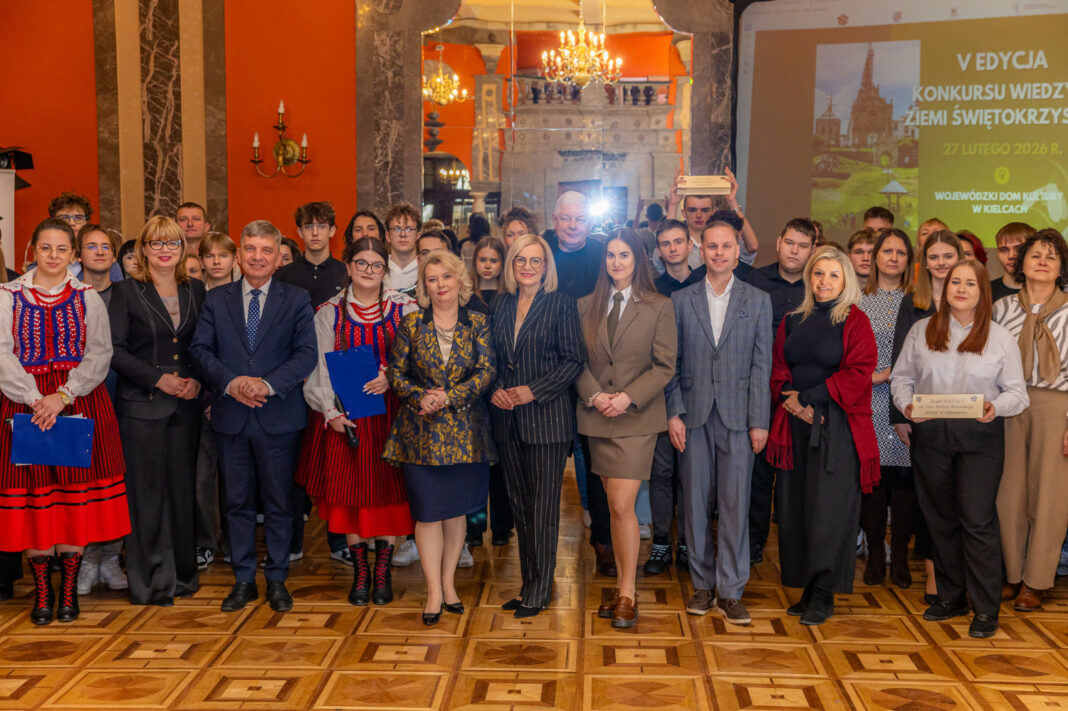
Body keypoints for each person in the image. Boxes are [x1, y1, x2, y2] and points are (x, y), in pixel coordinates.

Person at [0, 218, 130, 625]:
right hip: (25, 403)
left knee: (73, 499)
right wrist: (34, 399)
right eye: (46, 248)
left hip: (77, 402)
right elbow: (2, 353)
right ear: (32, 250)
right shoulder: (7, 295)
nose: (53, 256)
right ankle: (43, 592)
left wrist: (63, 395)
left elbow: (99, 353)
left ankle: (69, 590)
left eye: (61, 249)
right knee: (36, 499)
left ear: (73, 254)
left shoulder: (87, 297)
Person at [891, 259, 1028, 638]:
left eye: (970, 283)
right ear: (946, 287)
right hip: (932, 437)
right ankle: (951, 597)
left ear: (982, 291)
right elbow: (901, 379)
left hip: (980, 438)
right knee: (940, 519)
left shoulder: (999, 337)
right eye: (955, 282)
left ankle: (985, 609)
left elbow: (1018, 394)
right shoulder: (922, 330)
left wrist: (994, 407)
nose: (961, 289)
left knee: (977, 521)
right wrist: (907, 406)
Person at [190, 220, 317, 613]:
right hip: (231, 416)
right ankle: (243, 579)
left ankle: (277, 578)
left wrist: (265, 384)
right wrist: (232, 383)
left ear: (278, 257)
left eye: (266, 250)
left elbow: (306, 354)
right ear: (239, 255)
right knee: (236, 503)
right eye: (250, 249)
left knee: (279, 503)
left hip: (278, 417)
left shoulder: (296, 298)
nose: (258, 257)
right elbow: (200, 350)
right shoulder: (217, 299)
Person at [296, 237, 417, 606]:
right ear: (348, 266)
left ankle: (382, 571)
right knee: (351, 495)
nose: (368, 270)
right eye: (361, 263)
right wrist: (330, 412)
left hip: (391, 417)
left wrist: (391, 377)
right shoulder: (329, 312)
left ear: (385, 269)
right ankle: (361, 572)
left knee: (388, 494)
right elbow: (318, 367)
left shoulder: (405, 308)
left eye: (376, 264)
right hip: (346, 416)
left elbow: (418, 361)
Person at [665, 221, 772, 625]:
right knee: (694, 504)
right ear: (701, 249)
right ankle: (702, 585)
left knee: (734, 503)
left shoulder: (757, 300)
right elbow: (671, 363)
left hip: (739, 418)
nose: (719, 253)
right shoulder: (680, 300)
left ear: (737, 250)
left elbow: (762, 365)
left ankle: (730, 590)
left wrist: (759, 421)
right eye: (712, 246)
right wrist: (673, 412)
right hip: (692, 415)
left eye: (726, 246)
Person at [766, 245, 878, 626]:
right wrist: (793, 402)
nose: (824, 281)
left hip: (836, 426)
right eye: (818, 273)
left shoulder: (856, 321)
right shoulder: (792, 320)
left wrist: (810, 398)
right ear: (809, 277)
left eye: (833, 275)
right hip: (794, 425)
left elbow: (859, 372)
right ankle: (806, 587)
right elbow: (779, 366)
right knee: (795, 508)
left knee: (829, 511)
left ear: (845, 280)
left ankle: (825, 592)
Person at [383, 249, 496, 625]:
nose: (440, 285)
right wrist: (421, 396)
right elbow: (396, 373)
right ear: (424, 286)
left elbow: (486, 371)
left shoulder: (477, 322)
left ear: (459, 280)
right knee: (428, 514)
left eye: (446, 277)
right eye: (432, 279)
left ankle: (449, 585)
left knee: (455, 513)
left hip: (465, 434)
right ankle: (433, 592)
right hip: (420, 434)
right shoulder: (411, 324)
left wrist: (449, 396)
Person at [575, 230, 676, 627]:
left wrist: (627, 397)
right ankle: (620, 586)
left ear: (639, 260)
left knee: (621, 505)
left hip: (636, 418)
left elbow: (664, 366)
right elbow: (575, 361)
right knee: (614, 508)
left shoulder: (658, 306)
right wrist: (596, 395)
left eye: (625, 255)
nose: (616, 262)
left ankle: (629, 592)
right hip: (597, 416)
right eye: (611, 255)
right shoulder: (586, 305)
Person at [108, 216, 206, 606]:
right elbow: (114, 351)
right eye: (157, 243)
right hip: (141, 404)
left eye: (173, 243)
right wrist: (157, 379)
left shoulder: (196, 289)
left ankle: (182, 576)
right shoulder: (125, 291)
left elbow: (205, 344)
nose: (165, 251)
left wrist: (198, 379)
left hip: (186, 403)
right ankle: (150, 582)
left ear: (183, 248)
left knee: (182, 491)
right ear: (144, 249)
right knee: (146, 495)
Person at [489, 233, 585, 617]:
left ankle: (540, 590)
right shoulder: (500, 303)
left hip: (546, 420)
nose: (527, 267)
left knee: (543, 508)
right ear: (511, 265)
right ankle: (528, 582)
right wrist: (496, 389)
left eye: (535, 261)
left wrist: (534, 390)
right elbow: (490, 357)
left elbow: (573, 360)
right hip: (506, 419)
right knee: (519, 505)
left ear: (546, 267)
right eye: (520, 260)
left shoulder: (561, 304)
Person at [992, 230, 1068, 612]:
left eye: (1052, 256)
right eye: (1035, 254)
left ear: (1061, 268)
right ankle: (1012, 574)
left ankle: (1036, 581)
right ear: (1020, 263)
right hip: (1008, 405)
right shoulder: (1001, 309)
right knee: (1009, 495)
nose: (1043, 261)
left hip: (1057, 407)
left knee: (1050, 497)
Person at [743, 218, 818, 564]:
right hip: (760, 392)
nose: (794, 251)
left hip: (802, 397)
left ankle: (796, 550)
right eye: (790, 243)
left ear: (813, 249)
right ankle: (753, 544)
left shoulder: (819, 286)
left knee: (797, 478)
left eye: (803, 246)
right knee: (757, 476)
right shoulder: (754, 280)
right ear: (778, 242)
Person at [549, 192, 615, 576]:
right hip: (550, 373)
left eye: (580, 219)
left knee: (596, 462)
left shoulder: (604, 256)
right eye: (566, 218)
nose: (573, 225)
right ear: (555, 220)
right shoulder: (541, 254)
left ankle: (603, 541)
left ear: (589, 222)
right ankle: (542, 552)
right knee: (548, 465)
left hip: (594, 371)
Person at [857, 228, 918, 588]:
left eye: (901, 252)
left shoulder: (918, 300)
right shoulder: (857, 301)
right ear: (875, 257)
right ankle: (876, 556)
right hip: (870, 402)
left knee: (905, 484)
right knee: (874, 483)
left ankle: (902, 559)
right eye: (887, 251)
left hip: (908, 405)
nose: (893, 258)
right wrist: (872, 377)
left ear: (909, 260)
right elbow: (845, 355)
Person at [644, 219, 701, 574]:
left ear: (690, 245)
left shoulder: (705, 283)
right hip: (660, 393)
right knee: (661, 473)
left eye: (678, 241)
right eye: (665, 243)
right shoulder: (651, 289)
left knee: (691, 476)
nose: (673, 248)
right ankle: (661, 543)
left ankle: (688, 544)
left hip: (698, 394)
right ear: (659, 250)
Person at [192, 231, 239, 571]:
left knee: (236, 481)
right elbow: (197, 351)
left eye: (223, 255)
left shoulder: (244, 295)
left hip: (235, 399)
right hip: (200, 400)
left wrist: (224, 394)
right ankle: (206, 541)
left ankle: (235, 543)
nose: (217, 261)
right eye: (210, 256)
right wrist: (207, 396)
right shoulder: (194, 296)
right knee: (202, 480)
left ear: (234, 259)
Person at [464, 236, 514, 547]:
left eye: (493, 260)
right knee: (476, 462)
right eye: (482, 260)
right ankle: (474, 527)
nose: (487, 266)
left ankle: (502, 526)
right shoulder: (467, 298)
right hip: (474, 388)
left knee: (502, 463)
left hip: (503, 387)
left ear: (502, 264)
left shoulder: (511, 296)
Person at [276, 201, 347, 308]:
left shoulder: (345, 272)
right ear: (300, 232)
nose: (315, 233)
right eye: (308, 227)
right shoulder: (283, 276)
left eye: (321, 226)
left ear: (332, 231)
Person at [383, 203, 421, 297]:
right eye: (396, 229)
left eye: (409, 229)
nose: (403, 234)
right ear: (388, 236)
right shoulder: (379, 269)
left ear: (418, 235)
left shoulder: (426, 269)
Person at [990, 222, 1035, 302]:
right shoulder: (986, 291)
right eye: (1004, 250)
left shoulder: (1050, 290)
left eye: (1019, 249)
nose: (1011, 256)